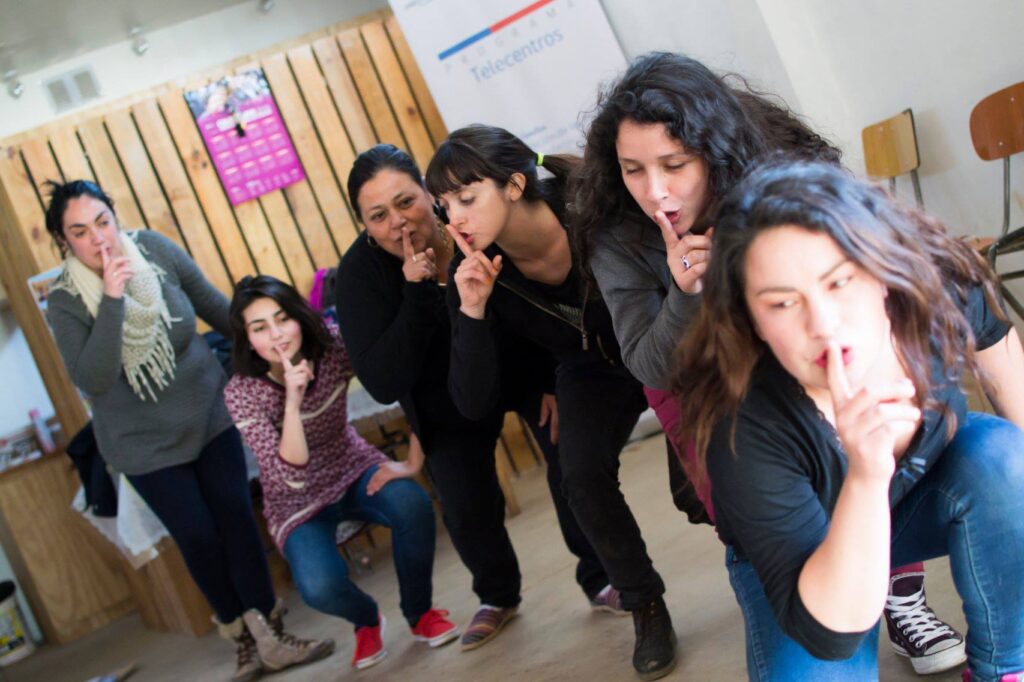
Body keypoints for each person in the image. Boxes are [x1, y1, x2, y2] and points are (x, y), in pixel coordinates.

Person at [571, 51, 964, 674]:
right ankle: (772, 555)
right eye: (633, 170)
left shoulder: (782, 176)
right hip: (726, 404)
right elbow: (649, 364)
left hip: (827, 395)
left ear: (714, 151)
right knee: (789, 568)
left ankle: (900, 588)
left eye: (674, 165)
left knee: (943, 451)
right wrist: (686, 293)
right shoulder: (619, 234)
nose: (655, 191)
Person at [674, 159, 1024, 681]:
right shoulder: (743, 422)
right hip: (806, 555)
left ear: (881, 270)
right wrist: (866, 473)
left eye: (839, 282)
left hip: (920, 502)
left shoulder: (938, 291)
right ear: (752, 320)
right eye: (782, 303)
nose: (823, 324)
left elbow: (1013, 392)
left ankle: (1006, 667)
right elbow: (831, 634)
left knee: (1003, 456)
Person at [335, 145, 619, 654]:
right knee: (467, 506)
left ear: (429, 194)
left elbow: (536, 301)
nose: (398, 221)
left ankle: (599, 576)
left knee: (568, 455)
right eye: (378, 215)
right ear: (364, 226)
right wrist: (417, 292)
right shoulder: (360, 276)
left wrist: (558, 376)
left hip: (522, 368)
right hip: (441, 398)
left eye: (406, 201)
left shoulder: (472, 224)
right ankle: (496, 596)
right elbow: (383, 381)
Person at [43, 180, 330, 682]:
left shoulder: (155, 250)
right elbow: (94, 377)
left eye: (103, 221)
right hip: (142, 446)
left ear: (115, 215)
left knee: (237, 520)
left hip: (209, 414)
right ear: (63, 240)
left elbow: (219, 312)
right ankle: (244, 641)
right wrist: (112, 298)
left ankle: (273, 633)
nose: (98, 238)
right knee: (197, 538)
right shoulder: (65, 300)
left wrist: (276, 349)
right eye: (80, 232)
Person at [426, 125, 674, 680]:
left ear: (515, 186)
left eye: (466, 198)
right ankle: (646, 606)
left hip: (655, 337)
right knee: (578, 476)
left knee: (697, 488)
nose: (453, 218)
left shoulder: (590, 207)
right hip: (589, 369)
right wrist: (471, 309)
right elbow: (473, 401)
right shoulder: (475, 270)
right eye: (444, 205)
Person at [223, 275, 458, 671]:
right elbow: (291, 474)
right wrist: (292, 402)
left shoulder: (332, 347)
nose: (276, 335)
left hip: (352, 466)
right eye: (260, 328)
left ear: (299, 317)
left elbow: (406, 377)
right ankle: (367, 620)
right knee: (319, 588)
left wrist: (413, 461)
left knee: (412, 504)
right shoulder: (242, 392)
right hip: (296, 501)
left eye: (283, 319)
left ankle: (419, 613)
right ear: (247, 339)